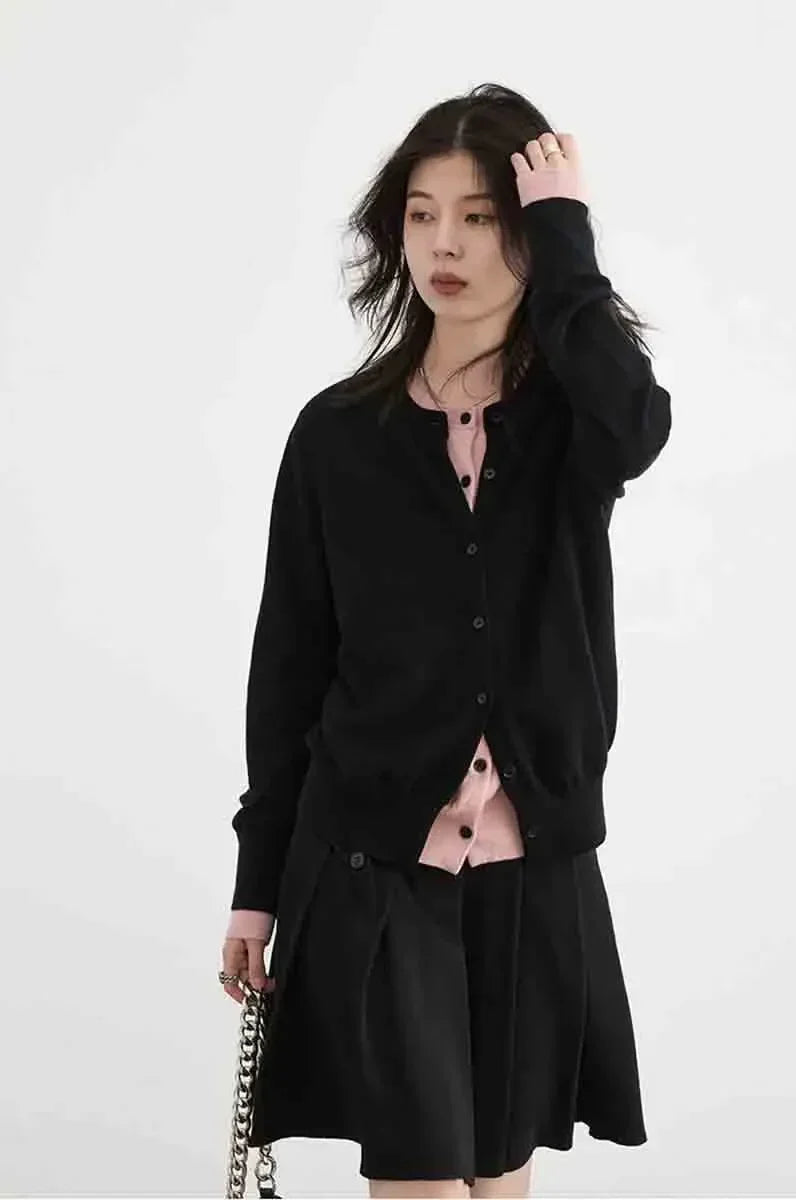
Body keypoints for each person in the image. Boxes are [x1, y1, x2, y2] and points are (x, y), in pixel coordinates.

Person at [220, 82, 671, 1200]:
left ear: (530, 233)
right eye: (422, 215)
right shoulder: (338, 435)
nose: (445, 245)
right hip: (374, 867)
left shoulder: (573, 422)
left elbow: (639, 421)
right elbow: (289, 671)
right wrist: (256, 885)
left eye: (481, 215)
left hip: (534, 870)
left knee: (500, 1181)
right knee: (418, 1182)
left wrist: (566, 235)